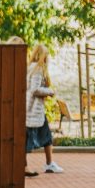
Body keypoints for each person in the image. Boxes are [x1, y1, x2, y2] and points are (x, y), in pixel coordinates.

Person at [25, 44, 63, 175]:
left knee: (47, 136)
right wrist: (50, 91)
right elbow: (35, 89)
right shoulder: (37, 69)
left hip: (35, 110)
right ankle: (34, 165)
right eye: (46, 55)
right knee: (28, 138)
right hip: (33, 110)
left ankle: (49, 164)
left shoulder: (30, 68)